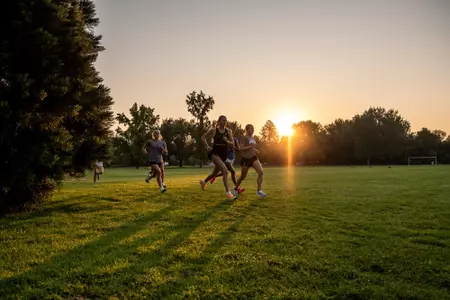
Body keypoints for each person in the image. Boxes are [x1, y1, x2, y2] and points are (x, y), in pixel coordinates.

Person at [199, 115, 237, 200]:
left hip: (224, 155)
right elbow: (203, 137)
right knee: (225, 171)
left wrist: (227, 141)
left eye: (226, 120)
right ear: (219, 121)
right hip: (214, 153)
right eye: (223, 120)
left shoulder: (228, 131)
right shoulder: (214, 130)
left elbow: (232, 143)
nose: (225, 122)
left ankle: (203, 182)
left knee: (214, 174)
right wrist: (207, 146)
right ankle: (229, 194)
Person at [233, 124, 267, 197]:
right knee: (243, 177)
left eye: (253, 128)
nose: (252, 130)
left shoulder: (253, 138)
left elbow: (251, 147)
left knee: (260, 172)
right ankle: (235, 188)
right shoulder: (244, 138)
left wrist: (255, 149)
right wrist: (251, 146)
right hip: (245, 159)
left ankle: (259, 191)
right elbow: (240, 148)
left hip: (253, 158)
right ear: (247, 129)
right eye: (251, 128)